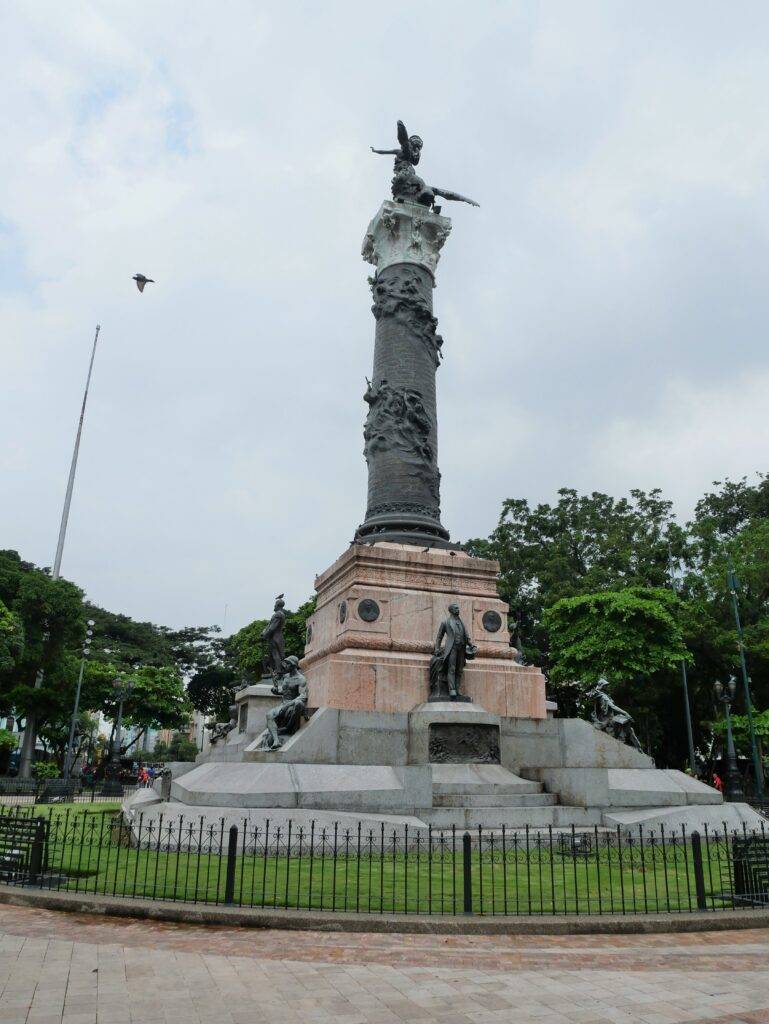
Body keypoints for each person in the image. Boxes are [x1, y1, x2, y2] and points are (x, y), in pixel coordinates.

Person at [430, 603, 477, 700]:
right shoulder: (445, 622)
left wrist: (471, 644)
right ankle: (452, 690)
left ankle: (458, 690)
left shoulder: (462, 623)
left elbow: (466, 635)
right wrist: (437, 648)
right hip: (452, 648)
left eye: (458, 608)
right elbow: (439, 637)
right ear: (451, 610)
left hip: (462, 648)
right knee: (451, 668)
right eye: (456, 608)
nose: (458, 609)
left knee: (459, 670)